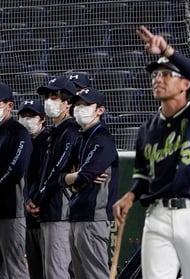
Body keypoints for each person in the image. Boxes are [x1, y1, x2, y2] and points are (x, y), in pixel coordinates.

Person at [113, 26, 190, 279]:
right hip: (157, 215)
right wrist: (130, 196)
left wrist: (168, 51)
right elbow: (142, 175)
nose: (157, 79)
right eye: (155, 75)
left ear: (185, 83)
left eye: (166, 74)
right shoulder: (147, 130)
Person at [59, 87, 119, 279]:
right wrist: (74, 176)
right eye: (77, 105)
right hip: (77, 215)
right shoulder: (81, 138)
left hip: (93, 217)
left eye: (85, 105)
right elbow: (60, 176)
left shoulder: (102, 138)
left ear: (100, 110)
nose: (79, 109)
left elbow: (85, 175)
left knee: (95, 274)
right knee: (79, 274)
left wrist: (75, 176)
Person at [27, 76, 78, 279]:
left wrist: (37, 198)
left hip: (60, 212)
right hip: (46, 212)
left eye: (55, 96)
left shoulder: (71, 130)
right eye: (48, 96)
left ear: (68, 103)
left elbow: (59, 170)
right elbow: (43, 172)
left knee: (57, 272)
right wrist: (31, 200)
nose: (50, 100)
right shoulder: (53, 133)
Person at [0, 82, 33, 279]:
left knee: (15, 269)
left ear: (9, 106)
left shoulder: (19, 133)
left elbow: (15, 170)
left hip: (11, 212)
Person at [17, 99, 50, 279]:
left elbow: (48, 177)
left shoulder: (49, 141)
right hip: (26, 218)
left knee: (54, 268)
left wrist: (35, 200)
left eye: (31, 116)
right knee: (34, 270)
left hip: (46, 215)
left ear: (42, 119)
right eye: (22, 116)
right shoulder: (20, 143)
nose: (26, 120)